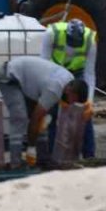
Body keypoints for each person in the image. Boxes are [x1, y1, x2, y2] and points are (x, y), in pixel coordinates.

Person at [0, 56, 91, 168]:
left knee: (42, 120)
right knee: (20, 118)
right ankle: (15, 163)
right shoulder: (55, 89)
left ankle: (43, 159)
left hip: (26, 81)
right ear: (70, 92)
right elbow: (35, 119)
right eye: (73, 100)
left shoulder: (69, 79)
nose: (71, 104)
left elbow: (40, 118)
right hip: (9, 76)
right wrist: (31, 147)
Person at [39, 19, 97, 158]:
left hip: (77, 73)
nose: (73, 49)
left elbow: (89, 73)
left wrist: (89, 101)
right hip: (54, 71)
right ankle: (52, 155)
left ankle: (89, 156)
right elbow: (43, 67)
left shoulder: (90, 40)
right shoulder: (51, 34)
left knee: (85, 115)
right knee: (52, 114)